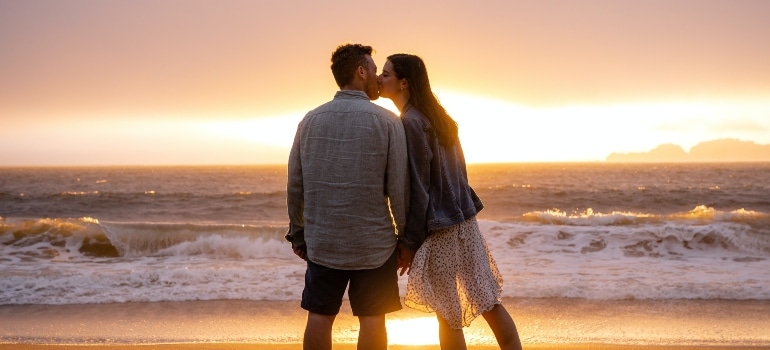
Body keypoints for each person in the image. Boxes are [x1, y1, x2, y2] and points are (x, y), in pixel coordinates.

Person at [379, 53, 523, 350]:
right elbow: (460, 176)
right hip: (464, 222)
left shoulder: (412, 123)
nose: (380, 79)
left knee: (448, 315)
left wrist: (410, 242)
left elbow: (418, 189)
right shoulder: (441, 119)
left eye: (386, 74)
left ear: (404, 83)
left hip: (441, 230)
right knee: (488, 301)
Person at [285, 44, 408, 350]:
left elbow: (294, 184)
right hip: (374, 245)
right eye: (373, 68)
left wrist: (298, 233)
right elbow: (398, 189)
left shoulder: (310, 121)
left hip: (323, 241)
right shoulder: (389, 122)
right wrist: (405, 239)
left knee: (320, 314)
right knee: (372, 317)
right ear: (360, 71)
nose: (378, 76)